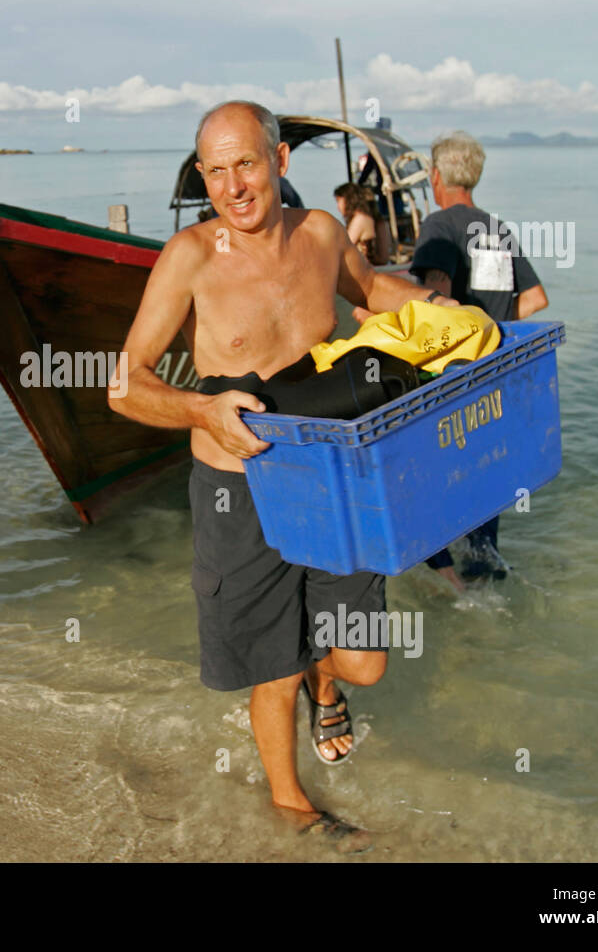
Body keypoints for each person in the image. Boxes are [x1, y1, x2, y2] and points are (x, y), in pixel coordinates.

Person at [108, 101, 459, 852]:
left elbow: (371, 293)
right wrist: (202, 411)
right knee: (272, 665)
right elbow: (125, 383)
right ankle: (292, 802)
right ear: (202, 177)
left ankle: (326, 685)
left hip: (333, 477)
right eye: (216, 170)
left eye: (247, 163)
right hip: (241, 487)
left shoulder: (322, 235)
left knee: (362, 659)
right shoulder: (190, 258)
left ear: (280, 163)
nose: (234, 185)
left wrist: (445, 311)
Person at [411, 131, 549, 581]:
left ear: (436, 175)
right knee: (485, 474)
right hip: (499, 374)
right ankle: (483, 570)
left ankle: (448, 584)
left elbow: (439, 299)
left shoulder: (438, 226)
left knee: (429, 481)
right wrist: (497, 321)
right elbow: (536, 298)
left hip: (454, 375)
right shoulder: (496, 229)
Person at [334, 181, 391, 265]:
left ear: (348, 199)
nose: (338, 206)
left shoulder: (360, 219)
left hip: (367, 270)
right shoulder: (374, 219)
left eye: (338, 201)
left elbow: (343, 248)